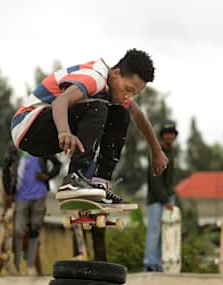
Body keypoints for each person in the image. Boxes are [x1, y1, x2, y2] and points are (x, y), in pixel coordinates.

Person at [10, 49, 168, 204]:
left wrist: (156, 150)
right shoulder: (95, 77)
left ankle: (101, 182)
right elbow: (60, 102)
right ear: (116, 74)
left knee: (121, 114)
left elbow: (138, 115)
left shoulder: (115, 89)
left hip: (47, 136)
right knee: (98, 108)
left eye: (134, 94)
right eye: (128, 90)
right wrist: (64, 131)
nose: (128, 96)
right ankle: (75, 178)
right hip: (28, 125)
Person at [2, 142, 61, 275]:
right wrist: (8, 191)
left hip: (39, 195)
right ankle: (15, 265)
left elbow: (58, 164)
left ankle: (30, 267)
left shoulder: (41, 143)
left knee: (35, 232)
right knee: (17, 231)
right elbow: (5, 168)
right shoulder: (14, 147)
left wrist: (48, 176)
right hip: (20, 196)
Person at [143, 120, 178, 272]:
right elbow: (155, 180)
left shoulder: (173, 153)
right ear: (162, 136)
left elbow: (170, 180)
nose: (169, 136)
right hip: (156, 200)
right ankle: (150, 263)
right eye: (166, 133)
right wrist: (165, 200)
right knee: (154, 231)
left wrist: (171, 198)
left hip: (168, 198)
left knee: (166, 232)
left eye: (171, 133)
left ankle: (159, 263)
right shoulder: (156, 151)